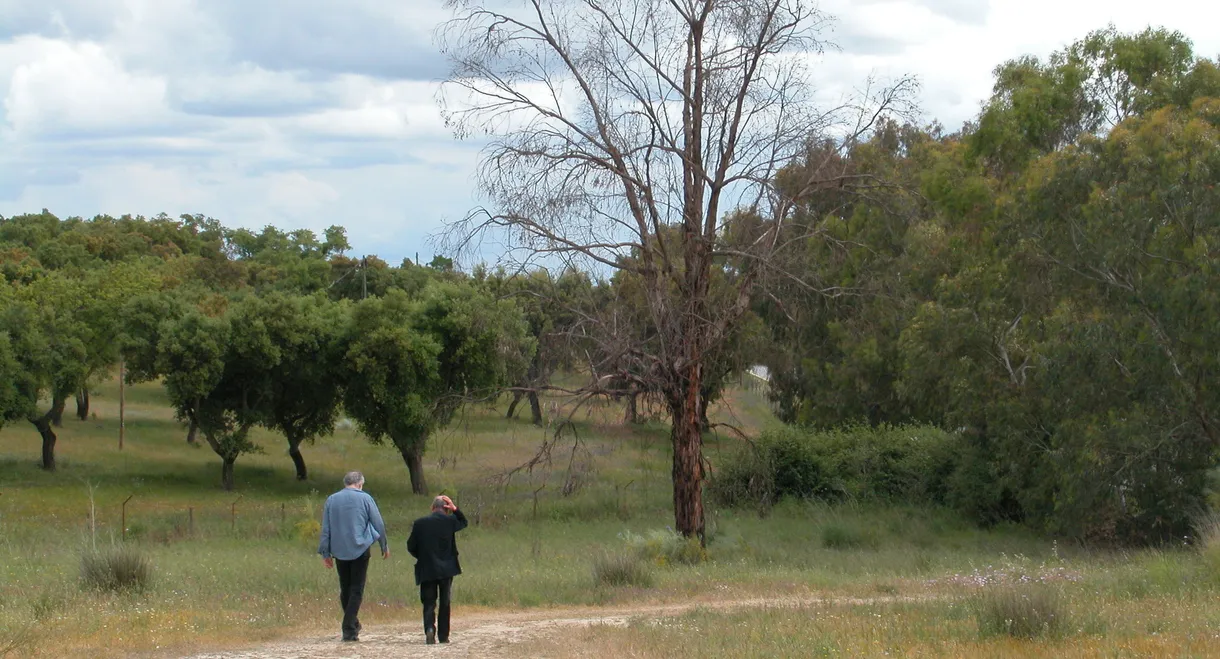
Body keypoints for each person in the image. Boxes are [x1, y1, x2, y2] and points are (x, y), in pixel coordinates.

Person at [318, 471, 389, 642]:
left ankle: (352, 624)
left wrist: (325, 552)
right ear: (359, 484)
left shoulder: (332, 500)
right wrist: (384, 544)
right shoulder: (365, 498)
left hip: (339, 550)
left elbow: (326, 528)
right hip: (361, 548)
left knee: (345, 587)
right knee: (356, 588)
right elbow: (377, 522)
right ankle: (349, 628)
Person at [407, 494, 468, 645]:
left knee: (428, 601)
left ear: (432, 508)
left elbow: (411, 546)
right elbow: (464, 522)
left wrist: (421, 556)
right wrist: (455, 509)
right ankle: (443, 636)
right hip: (447, 568)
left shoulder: (420, 523)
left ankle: (429, 629)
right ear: (446, 509)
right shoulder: (450, 521)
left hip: (427, 567)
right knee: (445, 602)